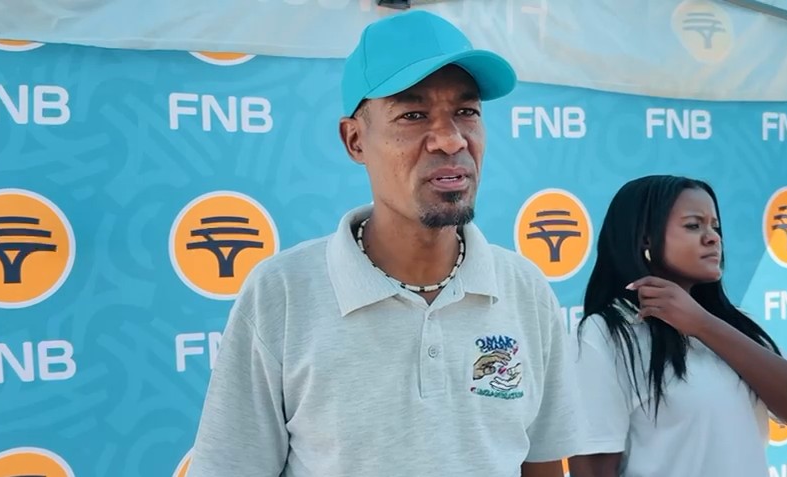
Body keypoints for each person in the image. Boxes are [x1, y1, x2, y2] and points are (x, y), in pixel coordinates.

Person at [186, 10, 584, 477]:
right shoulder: (282, 294)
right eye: (413, 115)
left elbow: (541, 464)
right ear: (355, 140)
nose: (450, 139)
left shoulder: (525, 289)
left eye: (467, 112)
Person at [565, 175, 787, 477]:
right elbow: (592, 469)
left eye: (715, 227)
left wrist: (703, 324)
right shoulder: (604, 335)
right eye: (694, 225)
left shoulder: (734, 325)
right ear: (645, 239)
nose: (713, 238)